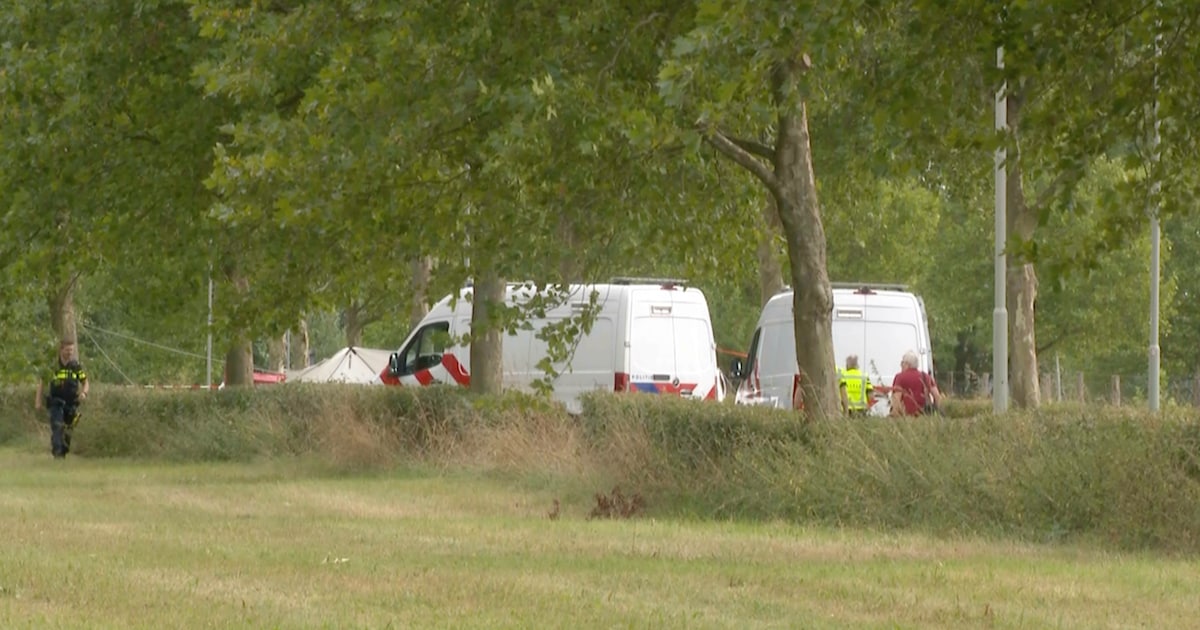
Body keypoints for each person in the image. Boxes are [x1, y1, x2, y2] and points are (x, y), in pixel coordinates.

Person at [34, 340, 90, 459]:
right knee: (57, 427)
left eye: (72, 350)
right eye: (67, 350)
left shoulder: (75, 366)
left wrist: (84, 393)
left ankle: (63, 451)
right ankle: (57, 454)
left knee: (68, 430)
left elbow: (85, 382)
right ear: (61, 349)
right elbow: (41, 384)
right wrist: (38, 401)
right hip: (56, 402)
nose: (70, 352)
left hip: (72, 403)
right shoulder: (53, 366)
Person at [889, 350, 941, 417]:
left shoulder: (900, 377)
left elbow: (896, 399)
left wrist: (895, 415)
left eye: (902, 363)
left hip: (907, 418)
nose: (901, 365)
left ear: (908, 364)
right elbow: (937, 396)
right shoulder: (925, 376)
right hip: (924, 416)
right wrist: (936, 410)